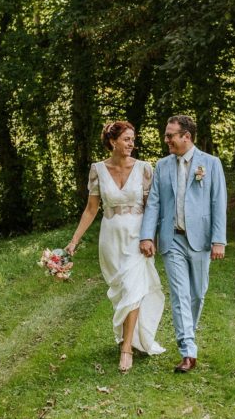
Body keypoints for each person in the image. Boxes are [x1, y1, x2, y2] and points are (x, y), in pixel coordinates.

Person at [67, 121, 166, 372]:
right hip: (110, 237)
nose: (131, 144)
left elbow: (151, 207)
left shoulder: (144, 168)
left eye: (133, 139)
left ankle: (126, 349)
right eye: (126, 139)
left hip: (137, 236)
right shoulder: (98, 170)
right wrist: (74, 241)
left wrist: (150, 237)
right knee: (122, 291)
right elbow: (91, 210)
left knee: (134, 288)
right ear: (112, 142)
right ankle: (127, 337)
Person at [139, 115, 227, 373]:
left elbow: (218, 203)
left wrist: (218, 240)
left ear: (186, 137)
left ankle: (189, 333)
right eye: (167, 135)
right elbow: (154, 202)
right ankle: (188, 351)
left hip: (200, 239)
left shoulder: (210, 164)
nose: (166, 140)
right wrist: (147, 235)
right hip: (172, 238)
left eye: (170, 135)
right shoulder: (163, 166)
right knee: (180, 295)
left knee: (197, 294)